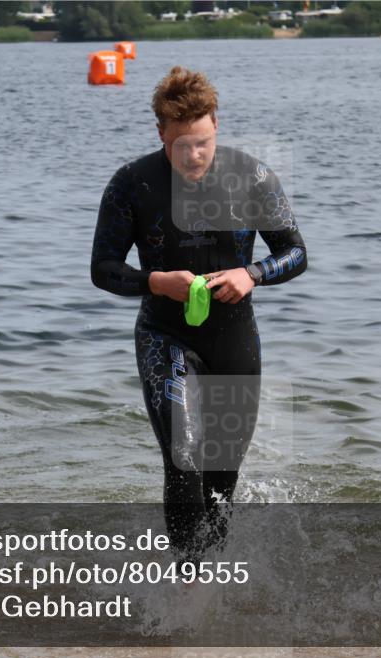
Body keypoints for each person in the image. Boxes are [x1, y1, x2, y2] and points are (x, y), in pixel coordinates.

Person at [90, 66, 308, 574]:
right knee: (183, 456)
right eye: (183, 144)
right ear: (161, 133)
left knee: (220, 476)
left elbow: (296, 253)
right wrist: (153, 281)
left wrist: (253, 273)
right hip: (164, 335)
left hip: (234, 339)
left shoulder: (252, 177)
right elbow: (102, 269)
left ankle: (208, 575)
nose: (195, 155)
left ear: (217, 125)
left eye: (204, 142)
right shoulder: (132, 184)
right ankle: (188, 584)